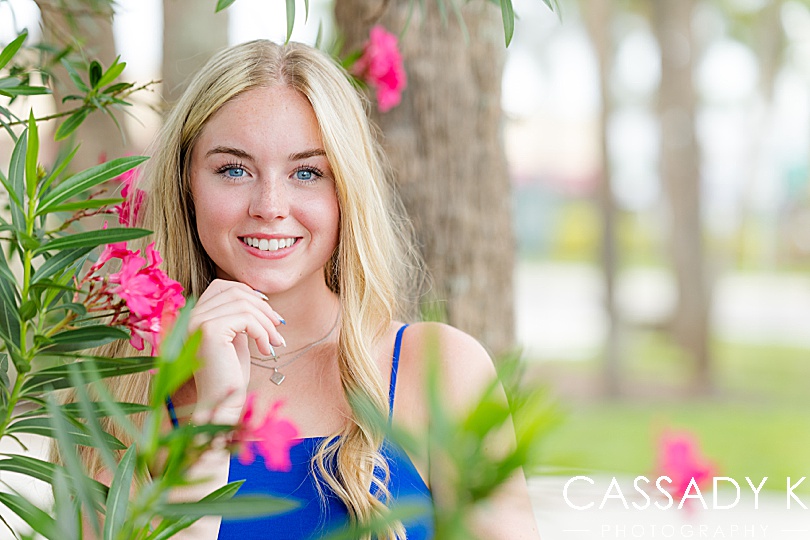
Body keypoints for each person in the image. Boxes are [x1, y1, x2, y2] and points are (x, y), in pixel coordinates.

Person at [63, 39, 540, 539]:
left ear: (346, 191)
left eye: (307, 172)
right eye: (234, 169)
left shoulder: (441, 367)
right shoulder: (120, 394)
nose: (270, 205)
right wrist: (213, 421)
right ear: (187, 184)